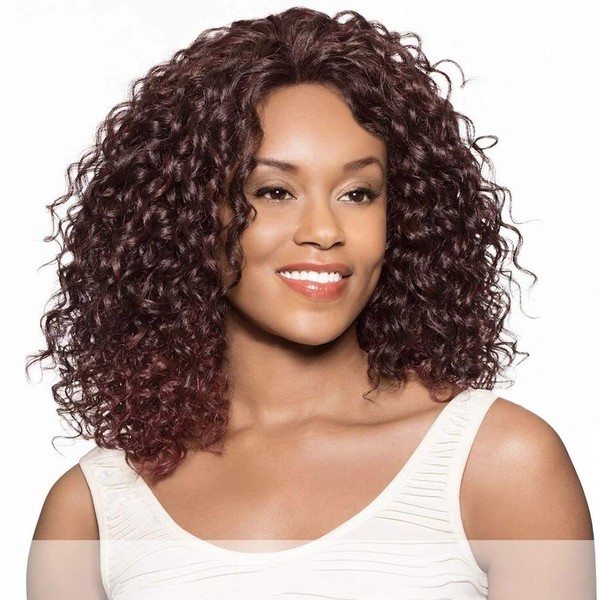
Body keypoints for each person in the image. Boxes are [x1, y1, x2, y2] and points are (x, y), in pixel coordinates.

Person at [26, 7, 595, 599]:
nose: (324, 231)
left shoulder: (500, 463)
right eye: (274, 191)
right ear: (189, 214)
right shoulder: (91, 512)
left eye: (358, 193)